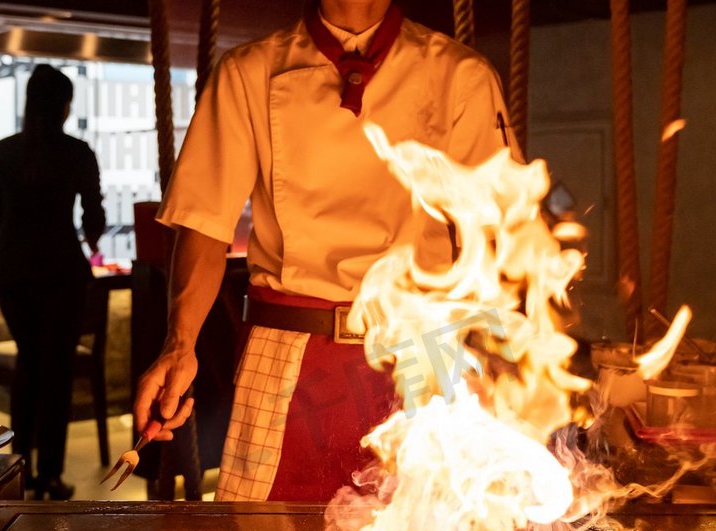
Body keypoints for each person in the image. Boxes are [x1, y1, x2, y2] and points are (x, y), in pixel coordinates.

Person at [135, 0, 519, 502]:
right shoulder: (249, 71)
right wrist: (179, 343)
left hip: (423, 352)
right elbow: (205, 223)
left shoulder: (460, 74)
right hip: (286, 350)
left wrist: (500, 359)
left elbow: (492, 233)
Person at [0, 63, 106, 500]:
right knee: (55, 371)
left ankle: (20, 466)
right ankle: (51, 475)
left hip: (13, 272)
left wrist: (15, 245)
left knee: (29, 363)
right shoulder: (77, 152)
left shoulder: (5, 150)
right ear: (65, 107)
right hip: (62, 271)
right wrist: (92, 240)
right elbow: (94, 218)